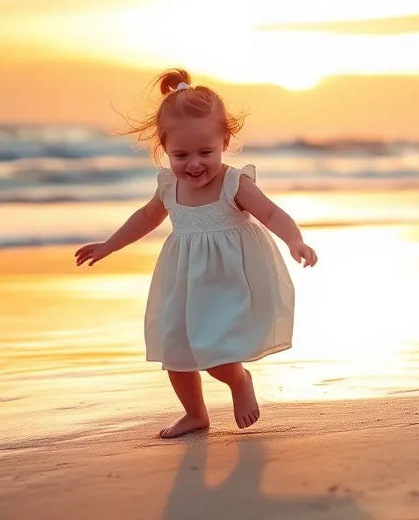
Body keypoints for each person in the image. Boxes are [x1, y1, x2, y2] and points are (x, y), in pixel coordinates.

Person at [74, 69, 317, 438]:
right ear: (164, 148)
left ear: (225, 139)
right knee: (175, 351)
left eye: (206, 152)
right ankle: (195, 414)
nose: (194, 163)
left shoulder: (234, 183)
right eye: (180, 154)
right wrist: (110, 245)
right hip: (183, 280)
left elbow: (270, 213)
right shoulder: (169, 186)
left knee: (215, 351)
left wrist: (294, 240)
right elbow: (145, 218)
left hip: (228, 280)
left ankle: (237, 380)